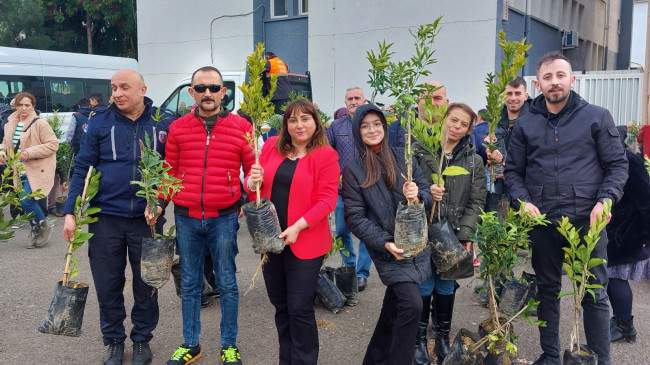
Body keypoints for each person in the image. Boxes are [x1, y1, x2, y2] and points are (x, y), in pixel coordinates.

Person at [504, 52, 628, 365]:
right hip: (543, 222)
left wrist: (606, 199)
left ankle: (600, 358)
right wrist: (523, 202)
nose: (555, 82)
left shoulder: (597, 117)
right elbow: (514, 172)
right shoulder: (525, 124)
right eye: (548, 77)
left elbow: (617, 165)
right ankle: (549, 355)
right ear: (538, 83)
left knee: (594, 292)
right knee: (547, 289)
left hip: (588, 220)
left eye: (561, 75)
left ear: (571, 80)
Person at [62, 69, 173, 365]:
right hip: (105, 219)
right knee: (108, 282)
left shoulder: (163, 124)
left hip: (148, 220)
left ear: (142, 90)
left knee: (146, 283)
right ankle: (112, 340)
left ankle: (141, 340)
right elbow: (82, 168)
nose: (117, 93)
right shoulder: (99, 123)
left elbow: (172, 171)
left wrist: (160, 204)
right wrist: (71, 212)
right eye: (113, 88)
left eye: (124, 87)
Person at [158, 66, 253, 365]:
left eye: (214, 87)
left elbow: (252, 170)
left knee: (226, 282)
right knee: (189, 283)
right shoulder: (178, 128)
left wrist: (247, 195)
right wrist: (159, 204)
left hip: (223, 217)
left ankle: (229, 345)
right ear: (192, 93)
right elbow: (168, 172)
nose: (207, 93)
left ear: (224, 92)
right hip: (185, 216)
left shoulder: (241, 127)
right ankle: (191, 344)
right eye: (201, 88)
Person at [245, 98, 339, 365]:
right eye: (293, 119)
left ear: (315, 122)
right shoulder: (272, 149)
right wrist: (252, 180)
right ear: (286, 124)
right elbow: (254, 189)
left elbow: (327, 201)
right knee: (281, 306)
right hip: (270, 240)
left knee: (299, 308)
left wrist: (298, 227)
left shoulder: (326, 155)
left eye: (305, 118)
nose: (299, 125)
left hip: (304, 240)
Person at [342, 103, 433, 365]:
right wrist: (384, 242)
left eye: (377, 124)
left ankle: (375, 360)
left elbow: (427, 194)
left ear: (385, 126)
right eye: (365, 125)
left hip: (414, 244)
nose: (372, 130)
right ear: (357, 131)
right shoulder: (354, 170)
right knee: (412, 305)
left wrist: (418, 197)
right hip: (387, 249)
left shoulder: (403, 158)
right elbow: (355, 217)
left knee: (393, 309)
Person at [412, 103, 486, 364]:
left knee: (445, 285)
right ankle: (419, 340)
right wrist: (426, 193)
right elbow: (407, 189)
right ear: (443, 120)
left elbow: (477, 202)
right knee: (423, 282)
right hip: (423, 230)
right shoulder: (421, 152)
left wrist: (465, 235)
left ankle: (442, 338)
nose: (456, 127)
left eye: (463, 124)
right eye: (453, 120)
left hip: (453, 234)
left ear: (468, 130)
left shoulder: (474, 162)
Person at [326, 87, 374, 291]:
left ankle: (362, 274)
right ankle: (349, 266)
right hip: (342, 190)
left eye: (357, 98)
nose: (353, 101)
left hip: (369, 188)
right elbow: (327, 153)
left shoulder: (372, 125)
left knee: (368, 233)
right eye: (349, 99)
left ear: (364, 101)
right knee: (342, 231)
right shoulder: (336, 126)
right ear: (345, 103)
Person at [606, 126, 650, 344]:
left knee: (616, 278)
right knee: (610, 278)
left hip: (628, 233)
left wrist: (646, 235)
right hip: (614, 231)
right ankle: (619, 320)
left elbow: (645, 198)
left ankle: (626, 326)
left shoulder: (629, 160)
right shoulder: (607, 159)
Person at [1, 92, 58, 247]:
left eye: (27, 105)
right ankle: (37, 231)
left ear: (33, 106)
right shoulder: (9, 124)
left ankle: (43, 228)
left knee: (26, 200)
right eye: (20, 105)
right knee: (25, 202)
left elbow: (53, 144)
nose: (24, 108)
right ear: (15, 106)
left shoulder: (40, 124)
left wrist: (30, 152)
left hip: (37, 169)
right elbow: (6, 144)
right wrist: (2, 152)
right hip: (19, 170)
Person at [488, 77, 531, 194]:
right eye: (509, 93)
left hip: (526, 187)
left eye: (517, 93)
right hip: (500, 186)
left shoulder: (535, 120)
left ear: (525, 96)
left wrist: (512, 172)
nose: (513, 98)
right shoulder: (495, 120)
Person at [387, 81, 449, 149]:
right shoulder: (395, 130)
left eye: (437, 98)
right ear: (417, 101)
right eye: (426, 98)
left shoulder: (456, 130)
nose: (431, 103)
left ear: (447, 102)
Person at [263, 51, 292, 116]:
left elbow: (259, 69)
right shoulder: (282, 63)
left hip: (278, 95)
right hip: (287, 94)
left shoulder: (269, 62)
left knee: (278, 118)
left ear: (268, 57)